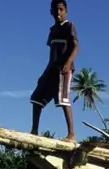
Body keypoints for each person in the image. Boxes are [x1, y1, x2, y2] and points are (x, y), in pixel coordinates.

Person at [29, 0, 79, 142]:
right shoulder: (52, 30)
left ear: (66, 11)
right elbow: (52, 56)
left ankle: (71, 135)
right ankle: (34, 131)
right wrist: (44, 73)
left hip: (64, 69)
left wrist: (68, 63)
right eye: (56, 10)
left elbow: (76, 46)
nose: (58, 12)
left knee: (63, 99)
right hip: (51, 69)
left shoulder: (69, 25)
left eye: (61, 9)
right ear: (51, 12)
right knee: (37, 97)